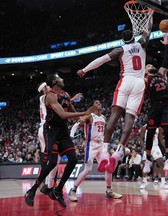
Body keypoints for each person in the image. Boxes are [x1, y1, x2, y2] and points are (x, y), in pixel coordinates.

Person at [76, 14, 154, 174]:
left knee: (114, 114)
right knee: (129, 119)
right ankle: (118, 152)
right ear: (133, 37)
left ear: (123, 39)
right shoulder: (142, 44)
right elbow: (148, 29)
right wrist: (151, 13)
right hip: (139, 83)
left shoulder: (120, 49)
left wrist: (84, 70)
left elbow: (101, 60)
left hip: (126, 81)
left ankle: (104, 151)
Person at [25, 74, 89, 207]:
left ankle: (57, 190)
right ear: (53, 82)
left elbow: (66, 106)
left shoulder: (63, 94)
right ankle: (34, 189)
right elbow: (61, 112)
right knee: (53, 161)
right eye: (60, 78)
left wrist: (79, 118)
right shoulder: (47, 96)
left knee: (73, 159)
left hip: (62, 130)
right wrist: (84, 113)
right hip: (49, 129)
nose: (63, 79)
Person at [68, 100, 122, 201]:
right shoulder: (89, 116)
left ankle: (109, 191)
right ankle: (73, 190)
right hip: (91, 145)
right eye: (96, 103)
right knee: (88, 169)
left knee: (108, 166)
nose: (99, 104)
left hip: (101, 144)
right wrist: (71, 136)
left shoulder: (103, 118)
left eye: (99, 102)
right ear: (93, 106)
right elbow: (76, 125)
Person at [143, 33, 168, 174]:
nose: (150, 65)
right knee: (150, 132)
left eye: (150, 64)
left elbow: (167, 60)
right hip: (155, 105)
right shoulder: (144, 80)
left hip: (166, 105)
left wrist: (166, 45)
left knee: (167, 131)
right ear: (145, 71)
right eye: (148, 65)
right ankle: (148, 159)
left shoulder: (161, 74)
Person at [139, 125, 168, 189]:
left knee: (161, 163)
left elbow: (161, 139)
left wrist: (167, 148)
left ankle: (163, 182)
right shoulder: (144, 127)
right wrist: (143, 147)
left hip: (155, 146)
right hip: (147, 146)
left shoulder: (158, 128)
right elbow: (141, 138)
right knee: (145, 164)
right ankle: (144, 181)